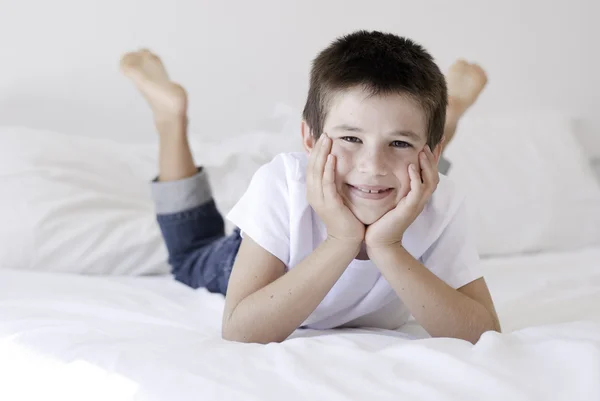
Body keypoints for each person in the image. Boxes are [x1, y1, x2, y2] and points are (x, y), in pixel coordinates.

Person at [121, 30, 500, 344]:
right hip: (268, 256)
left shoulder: (443, 200)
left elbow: (484, 334)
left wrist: (387, 246)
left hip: (418, 172)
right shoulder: (282, 182)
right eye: (350, 138)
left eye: (399, 143)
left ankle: (442, 120)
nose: (371, 164)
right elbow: (239, 330)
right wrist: (340, 240)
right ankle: (170, 119)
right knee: (190, 258)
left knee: (408, 176)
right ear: (309, 137)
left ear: (433, 154)